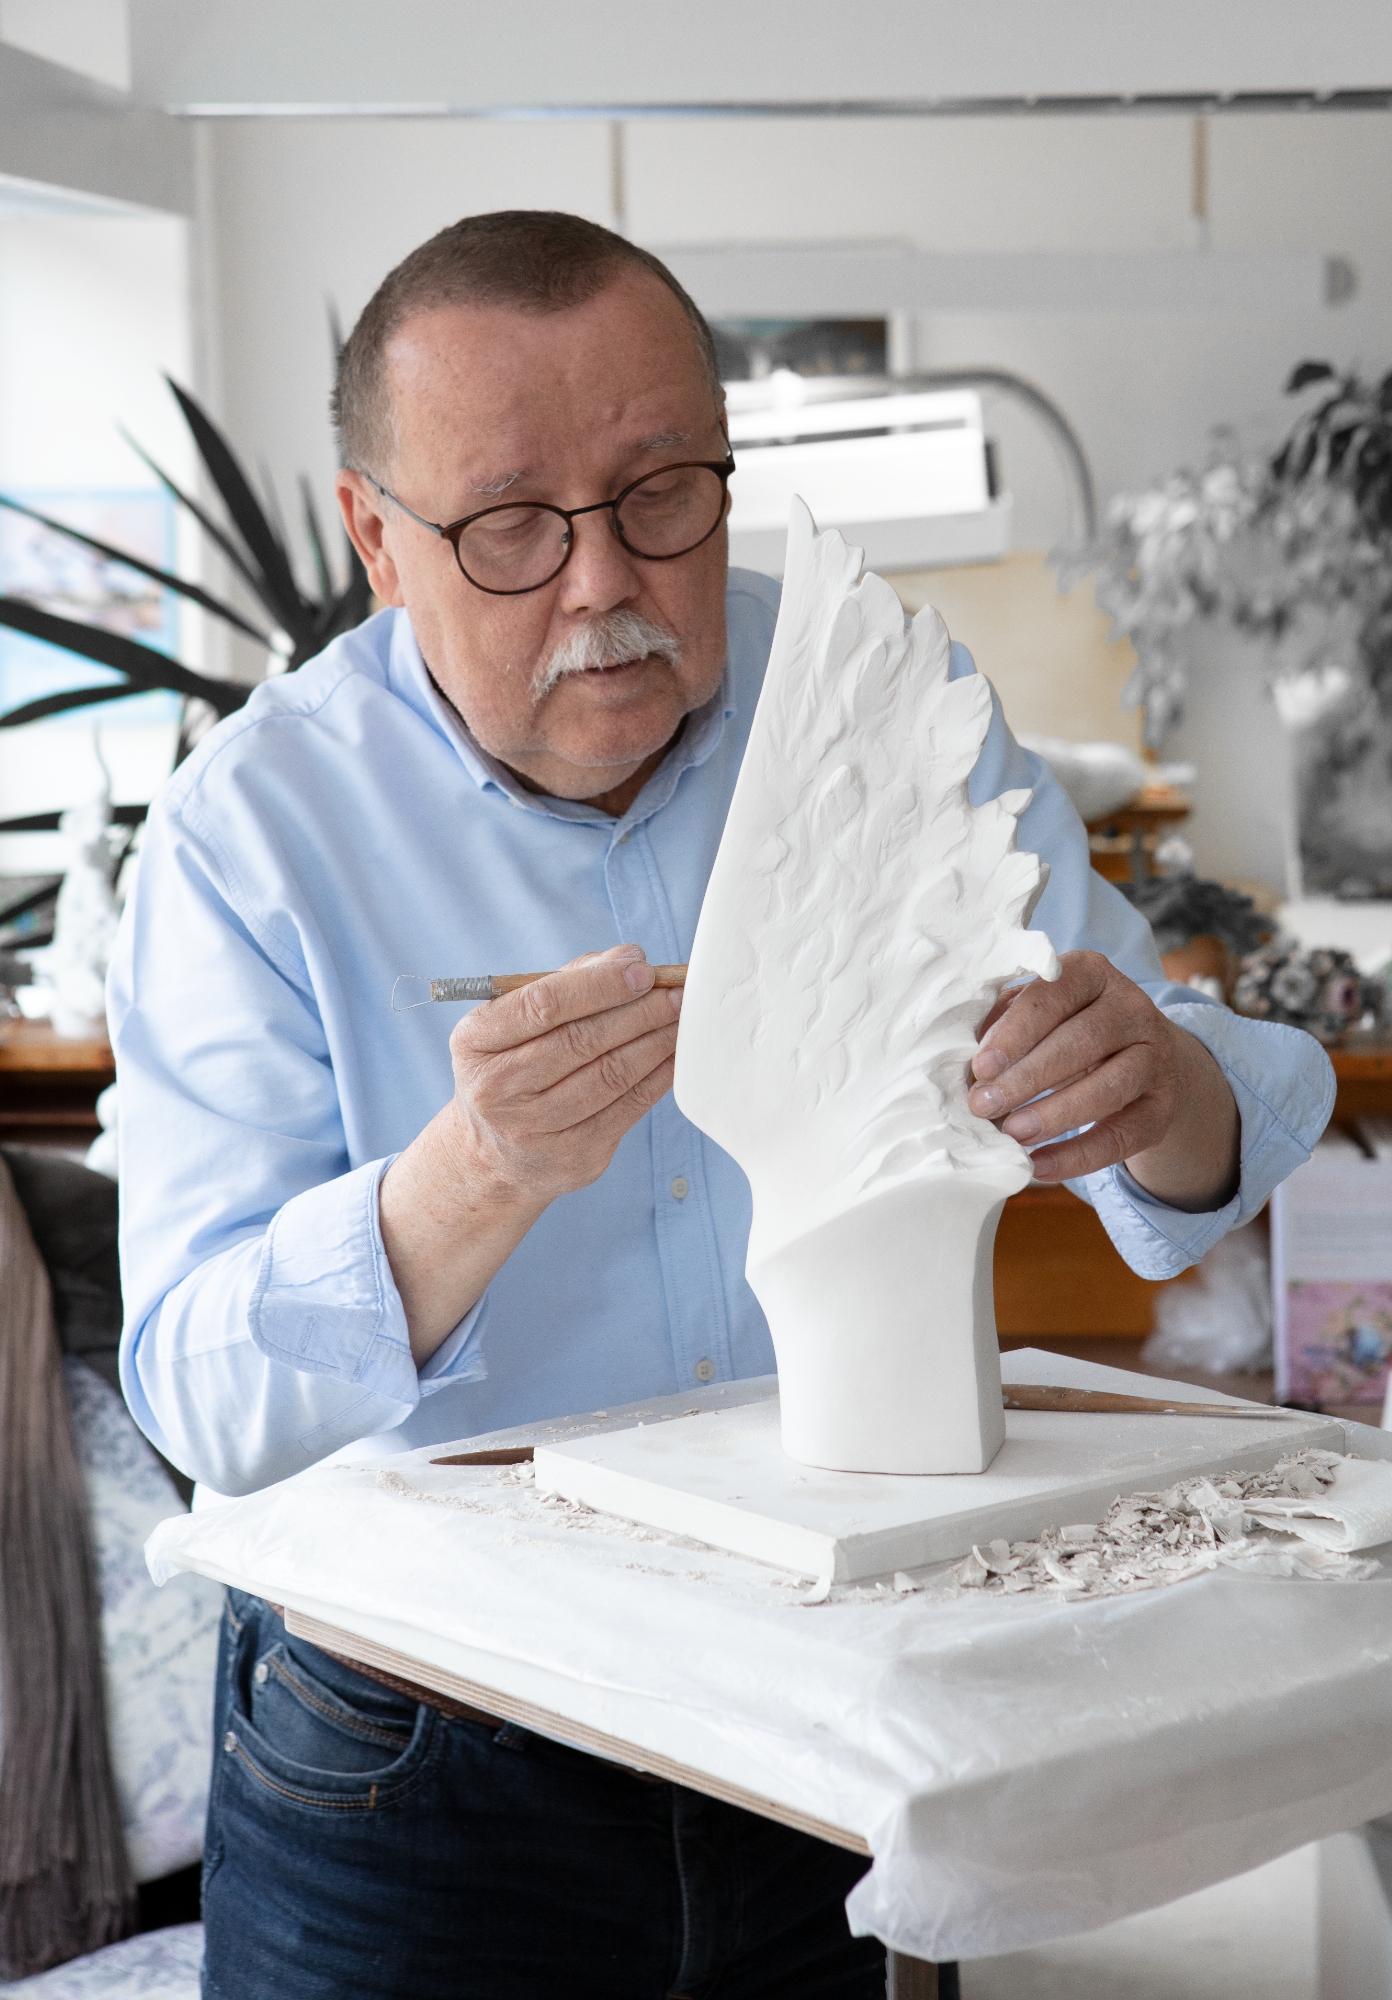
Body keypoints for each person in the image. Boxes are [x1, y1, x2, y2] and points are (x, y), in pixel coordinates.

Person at [110, 210, 1333, 2000]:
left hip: (825, 1711)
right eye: (512, 526)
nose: (603, 582)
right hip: (421, 1759)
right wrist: (471, 1180)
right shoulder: (248, 836)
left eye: (663, 493)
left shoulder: (870, 696)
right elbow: (199, 1396)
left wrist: (1161, 1084)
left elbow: (1184, 1120)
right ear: (377, 538)